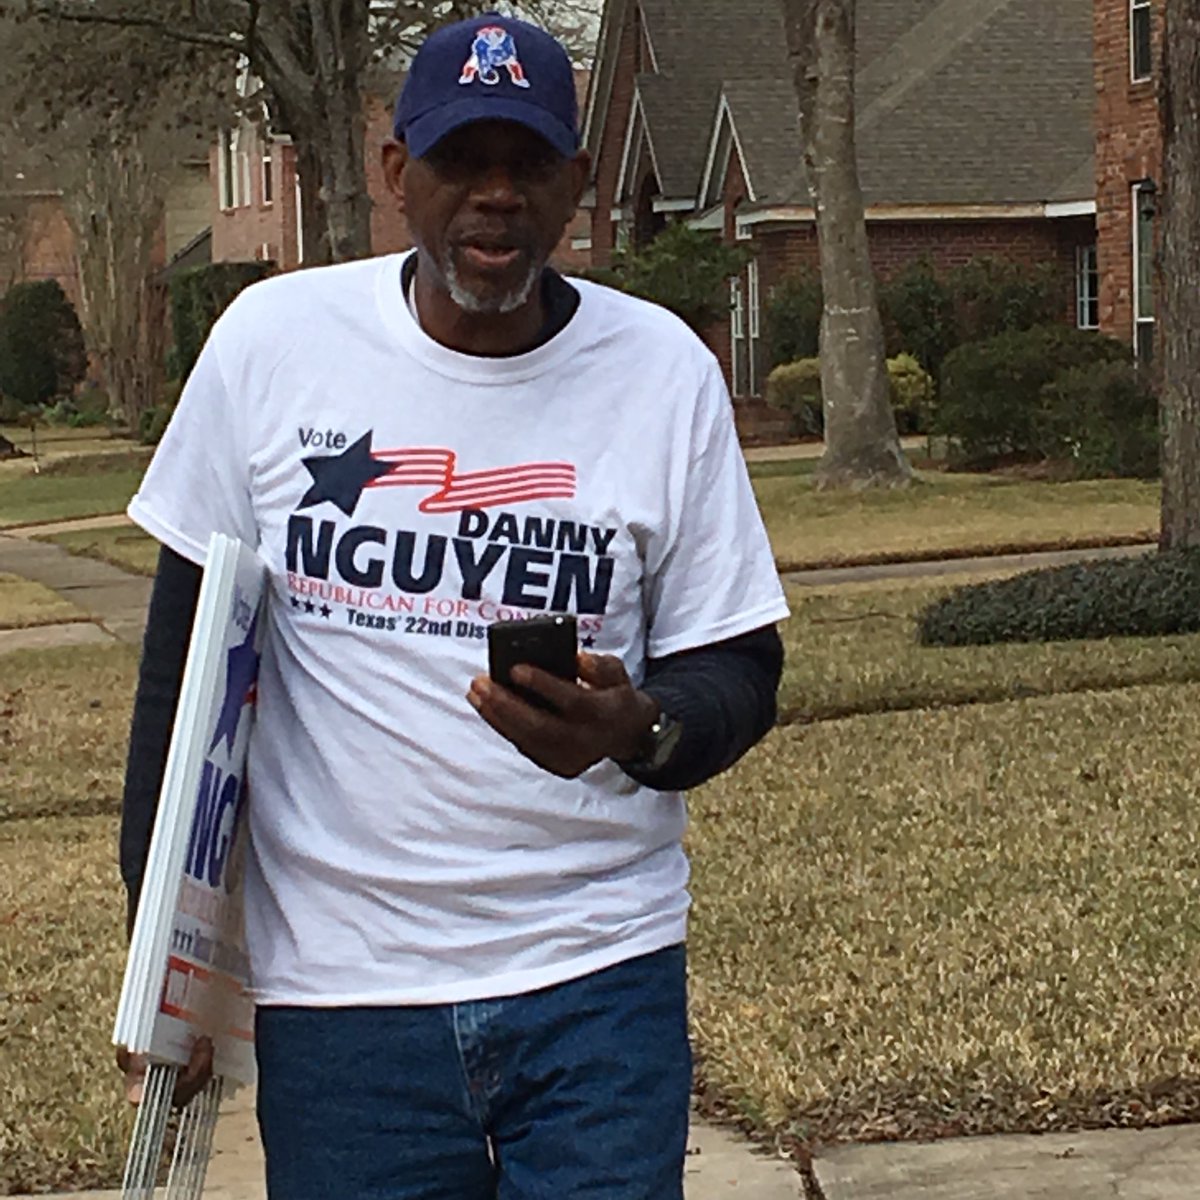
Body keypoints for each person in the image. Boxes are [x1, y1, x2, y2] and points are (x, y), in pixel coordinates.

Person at [117, 12, 789, 1199]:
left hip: (597, 975)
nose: (496, 195)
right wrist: (161, 968)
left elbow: (740, 666)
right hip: (343, 995)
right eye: (459, 161)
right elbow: (185, 677)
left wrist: (636, 729)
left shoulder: (662, 372)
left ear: (576, 180)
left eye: (527, 163)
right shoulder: (271, 347)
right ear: (396, 173)